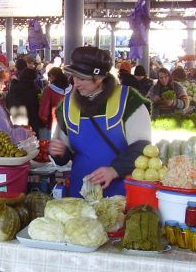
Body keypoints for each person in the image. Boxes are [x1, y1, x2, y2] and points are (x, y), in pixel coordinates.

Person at [48, 46, 152, 197]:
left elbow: (142, 146)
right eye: (74, 77)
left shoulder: (128, 100)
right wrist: (59, 152)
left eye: (82, 78)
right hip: (80, 195)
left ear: (100, 78)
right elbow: (64, 155)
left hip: (120, 195)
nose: (75, 84)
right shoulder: (67, 105)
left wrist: (114, 170)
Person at [6, 67, 41, 136]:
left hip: (14, 122)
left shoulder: (13, 88)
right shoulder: (32, 91)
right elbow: (34, 110)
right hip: (29, 124)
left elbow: (7, 102)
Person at [38, 67, 71, 138]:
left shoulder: (49, 90)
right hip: (70, 127)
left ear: (52, 76)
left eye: (49, 77)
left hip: (54, 126)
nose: (49, 80)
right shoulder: (72, 89)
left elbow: (43, 113)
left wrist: (45, 122)